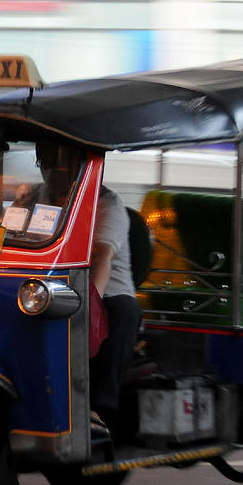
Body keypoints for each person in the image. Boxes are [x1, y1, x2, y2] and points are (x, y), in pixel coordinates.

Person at [89, 185, 142, 438]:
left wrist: (91, 305)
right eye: (44, 161)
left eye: (58, 160)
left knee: (122, 310)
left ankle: (98, 410)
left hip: (108, 292)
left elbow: (102, 256)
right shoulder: (36, 196)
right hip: (48, 288)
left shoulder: (107, 203)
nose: (52, 169)